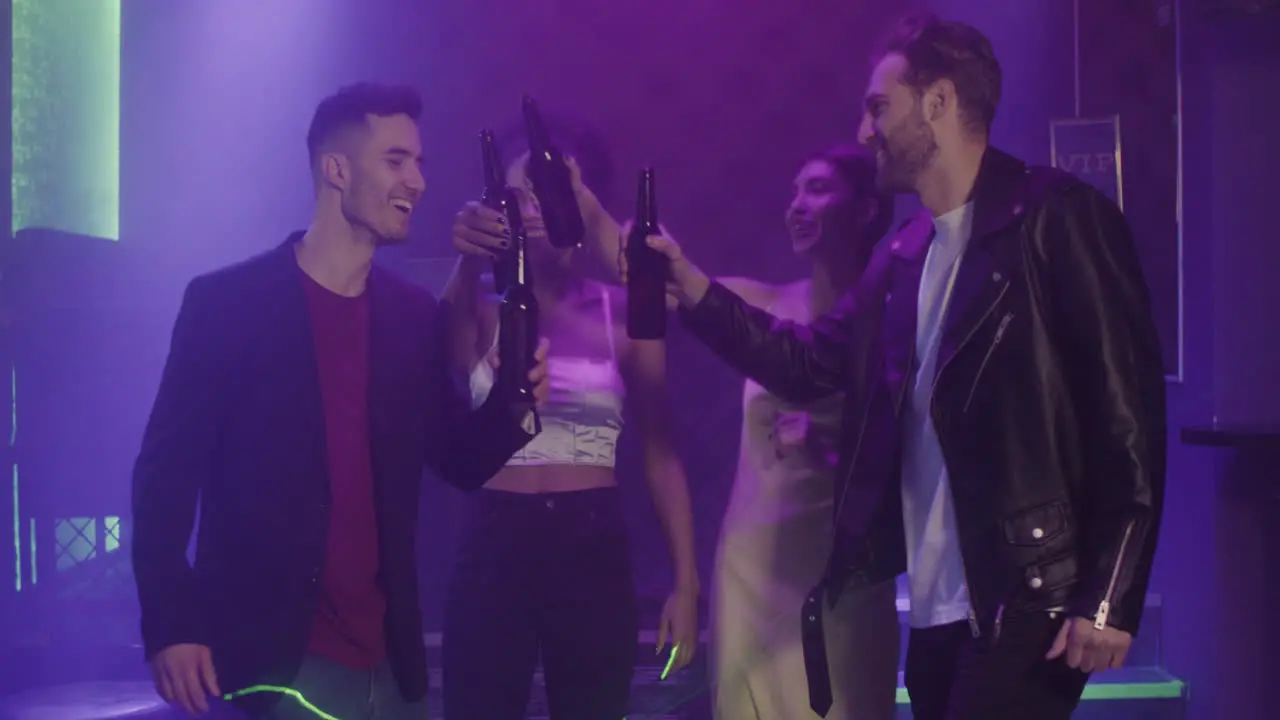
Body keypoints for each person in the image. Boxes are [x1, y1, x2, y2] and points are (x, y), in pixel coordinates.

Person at [625, 13, 1167, 720]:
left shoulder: (1057, 217)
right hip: (940, 613)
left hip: (1029, 598)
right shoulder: (906, 255)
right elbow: (808, 360)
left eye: (879, 107)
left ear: (938, 102)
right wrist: (691, 288)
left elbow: (1127, 417)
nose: (863, 131)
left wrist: (1110, 594)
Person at [131, 83, 550, 720]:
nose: (418, 180)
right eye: (396, 160)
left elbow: (457, 460)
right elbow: (165, 475)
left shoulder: (411, 317)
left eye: (420, 163)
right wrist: (170, 621)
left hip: (390, 662)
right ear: (335, 169)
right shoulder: (228, 304)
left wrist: (516, 403)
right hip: (277, 662)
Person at [442, 120, 699, 719]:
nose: (531, 208)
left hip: (590, 539)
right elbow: (445, 361)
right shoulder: (478, 308)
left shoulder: (620, 312)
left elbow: (662, 450)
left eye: (545, 190)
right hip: (494, 535)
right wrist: (468, 259)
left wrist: (686, 583)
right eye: (517, 195)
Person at [707, 147, 900, 720]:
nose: (797, 205)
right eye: (794, 192)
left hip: (847, 573)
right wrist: (581, 202)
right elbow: (652, 273)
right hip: (751, 566)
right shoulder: (761, 303)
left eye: (816, 189)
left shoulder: (894, 320)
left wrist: (831, 451)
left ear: (866, 209)